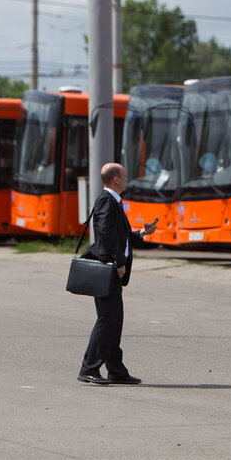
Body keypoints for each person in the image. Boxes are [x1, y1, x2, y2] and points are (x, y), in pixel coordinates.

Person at [77, 163, 156, 385]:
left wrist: (141, 232)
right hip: (108, 269)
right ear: (116, 180)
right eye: (124, 175)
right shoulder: (106, 200)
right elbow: (105, 234)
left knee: (114, 320)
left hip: (112, 268)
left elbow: (118, 234)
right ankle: (88, 368)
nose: (127, 178)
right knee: (107, 319)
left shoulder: (113, 201)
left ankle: (116, 370)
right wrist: (118, 261)